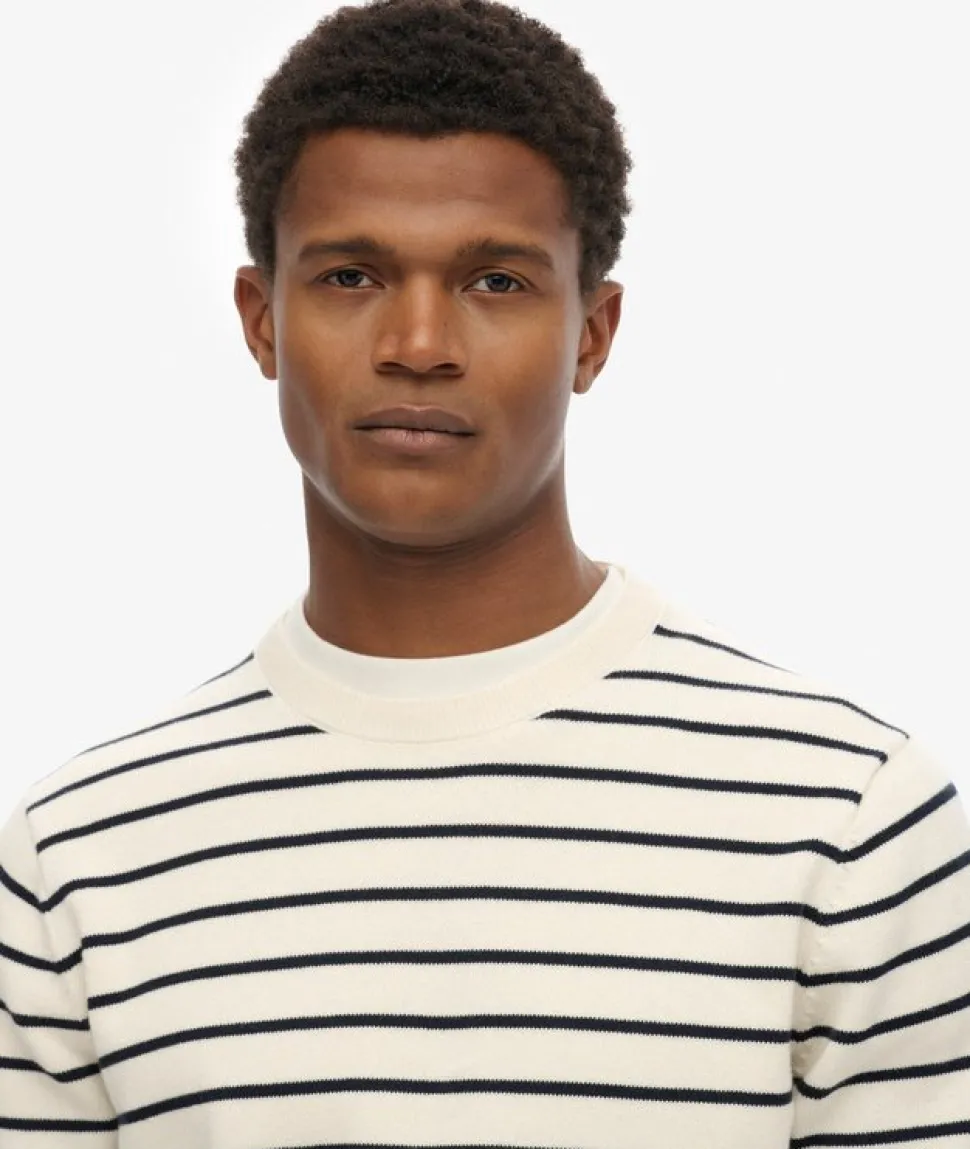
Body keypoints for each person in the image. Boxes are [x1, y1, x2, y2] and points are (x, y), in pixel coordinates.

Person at [2, 0, 968, 1144]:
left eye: (496, 282)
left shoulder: (849, 825)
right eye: (350, 276)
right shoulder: (80, 865)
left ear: (591, 335)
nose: (418, 345)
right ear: (262, 322)